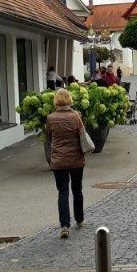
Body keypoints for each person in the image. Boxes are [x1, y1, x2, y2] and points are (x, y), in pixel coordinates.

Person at [44, 88, 87, 238]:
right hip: (76, 159)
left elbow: (49, 137)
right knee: (77, 189)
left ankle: (64, 225)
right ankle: (80, 219)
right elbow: (82, 135)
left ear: (56, 101)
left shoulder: (50, 118)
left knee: (63, 192)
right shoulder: (77, 116)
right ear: (69, 100)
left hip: (59, 160)